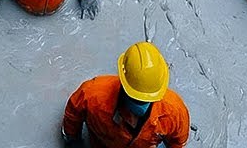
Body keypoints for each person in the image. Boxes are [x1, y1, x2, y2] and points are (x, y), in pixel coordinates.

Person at [62, 41, 190, 148]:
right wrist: (73, 140)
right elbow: (72, 115)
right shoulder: (92, 95)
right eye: (137, 98)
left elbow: (178, 142)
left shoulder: (174, 113)